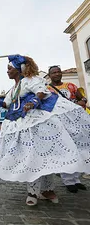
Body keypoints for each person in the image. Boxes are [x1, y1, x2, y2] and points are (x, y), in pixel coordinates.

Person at [0, 55, 90, 206]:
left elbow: (41, 92)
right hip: (21, 126)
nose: (7, 71)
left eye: (9, 68)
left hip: (37, 123)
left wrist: (33, 102)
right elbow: (8, 104)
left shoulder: (30, 80)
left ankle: (46, 190)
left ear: (19, 69)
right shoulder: (13, 89)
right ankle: (34, 191)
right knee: (30, 156)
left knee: (43, 155)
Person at [47, 65, 87, 193]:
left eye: (59, 72)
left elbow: (82, 97)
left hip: (75, 122)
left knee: (78, 149)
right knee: (66, 150)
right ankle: (68, 180)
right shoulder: (47, 89)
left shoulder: (71, 86)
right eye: (54, 72)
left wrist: (83, 102)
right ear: (50, 75)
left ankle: (76, 179)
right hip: (60, 123)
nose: (57, 74)